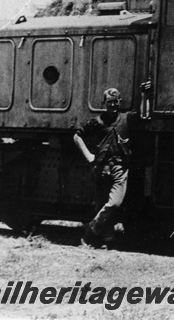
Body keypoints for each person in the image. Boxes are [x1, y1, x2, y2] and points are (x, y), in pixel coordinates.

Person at [73, 87, 138, 247]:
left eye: (115, 102)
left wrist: (146, 95)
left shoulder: (126, 119)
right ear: (104, 103)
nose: (113, 106)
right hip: (101, 168)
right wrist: (88, 156)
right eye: (109, 102)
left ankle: (91, 228)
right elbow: (77, 136)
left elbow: (143, 115)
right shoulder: (97, 122)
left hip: (119, 169)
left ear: (120, 102)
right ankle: (107, 241)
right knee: (102, 204)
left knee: (114, 204)